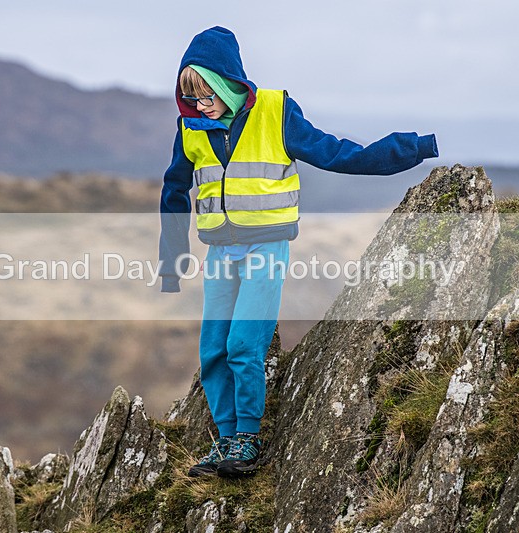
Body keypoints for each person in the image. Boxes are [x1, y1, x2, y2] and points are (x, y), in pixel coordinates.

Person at [158, 26, 438, 478]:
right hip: (220, 253)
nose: (200, 104)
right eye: (190, 96)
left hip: (265, 247)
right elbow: (173, 191)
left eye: (206, 94)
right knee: (213, 350)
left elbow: (338, 155)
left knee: (243, 345)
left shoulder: (276, 111)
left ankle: (247, 439)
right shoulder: (190, 128)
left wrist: (412, 149)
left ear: (228, 82)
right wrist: (172, 261)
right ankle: (226, 440)